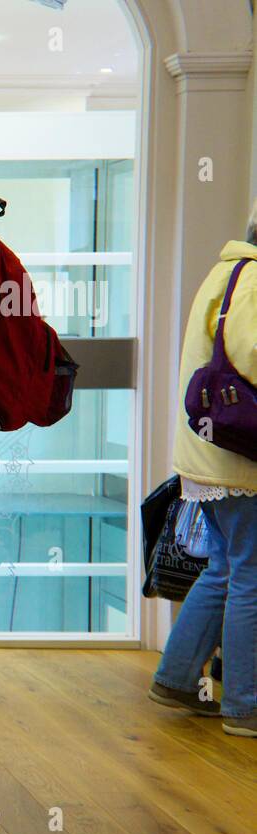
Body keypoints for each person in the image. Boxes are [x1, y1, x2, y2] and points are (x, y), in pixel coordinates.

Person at [148, 202, 257, 738]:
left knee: (225, 567)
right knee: (251, 574)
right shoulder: (255, 282)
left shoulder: (225, 272)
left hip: (209, 454)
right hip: (241, 459)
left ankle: (176, 676)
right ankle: (245, 706)